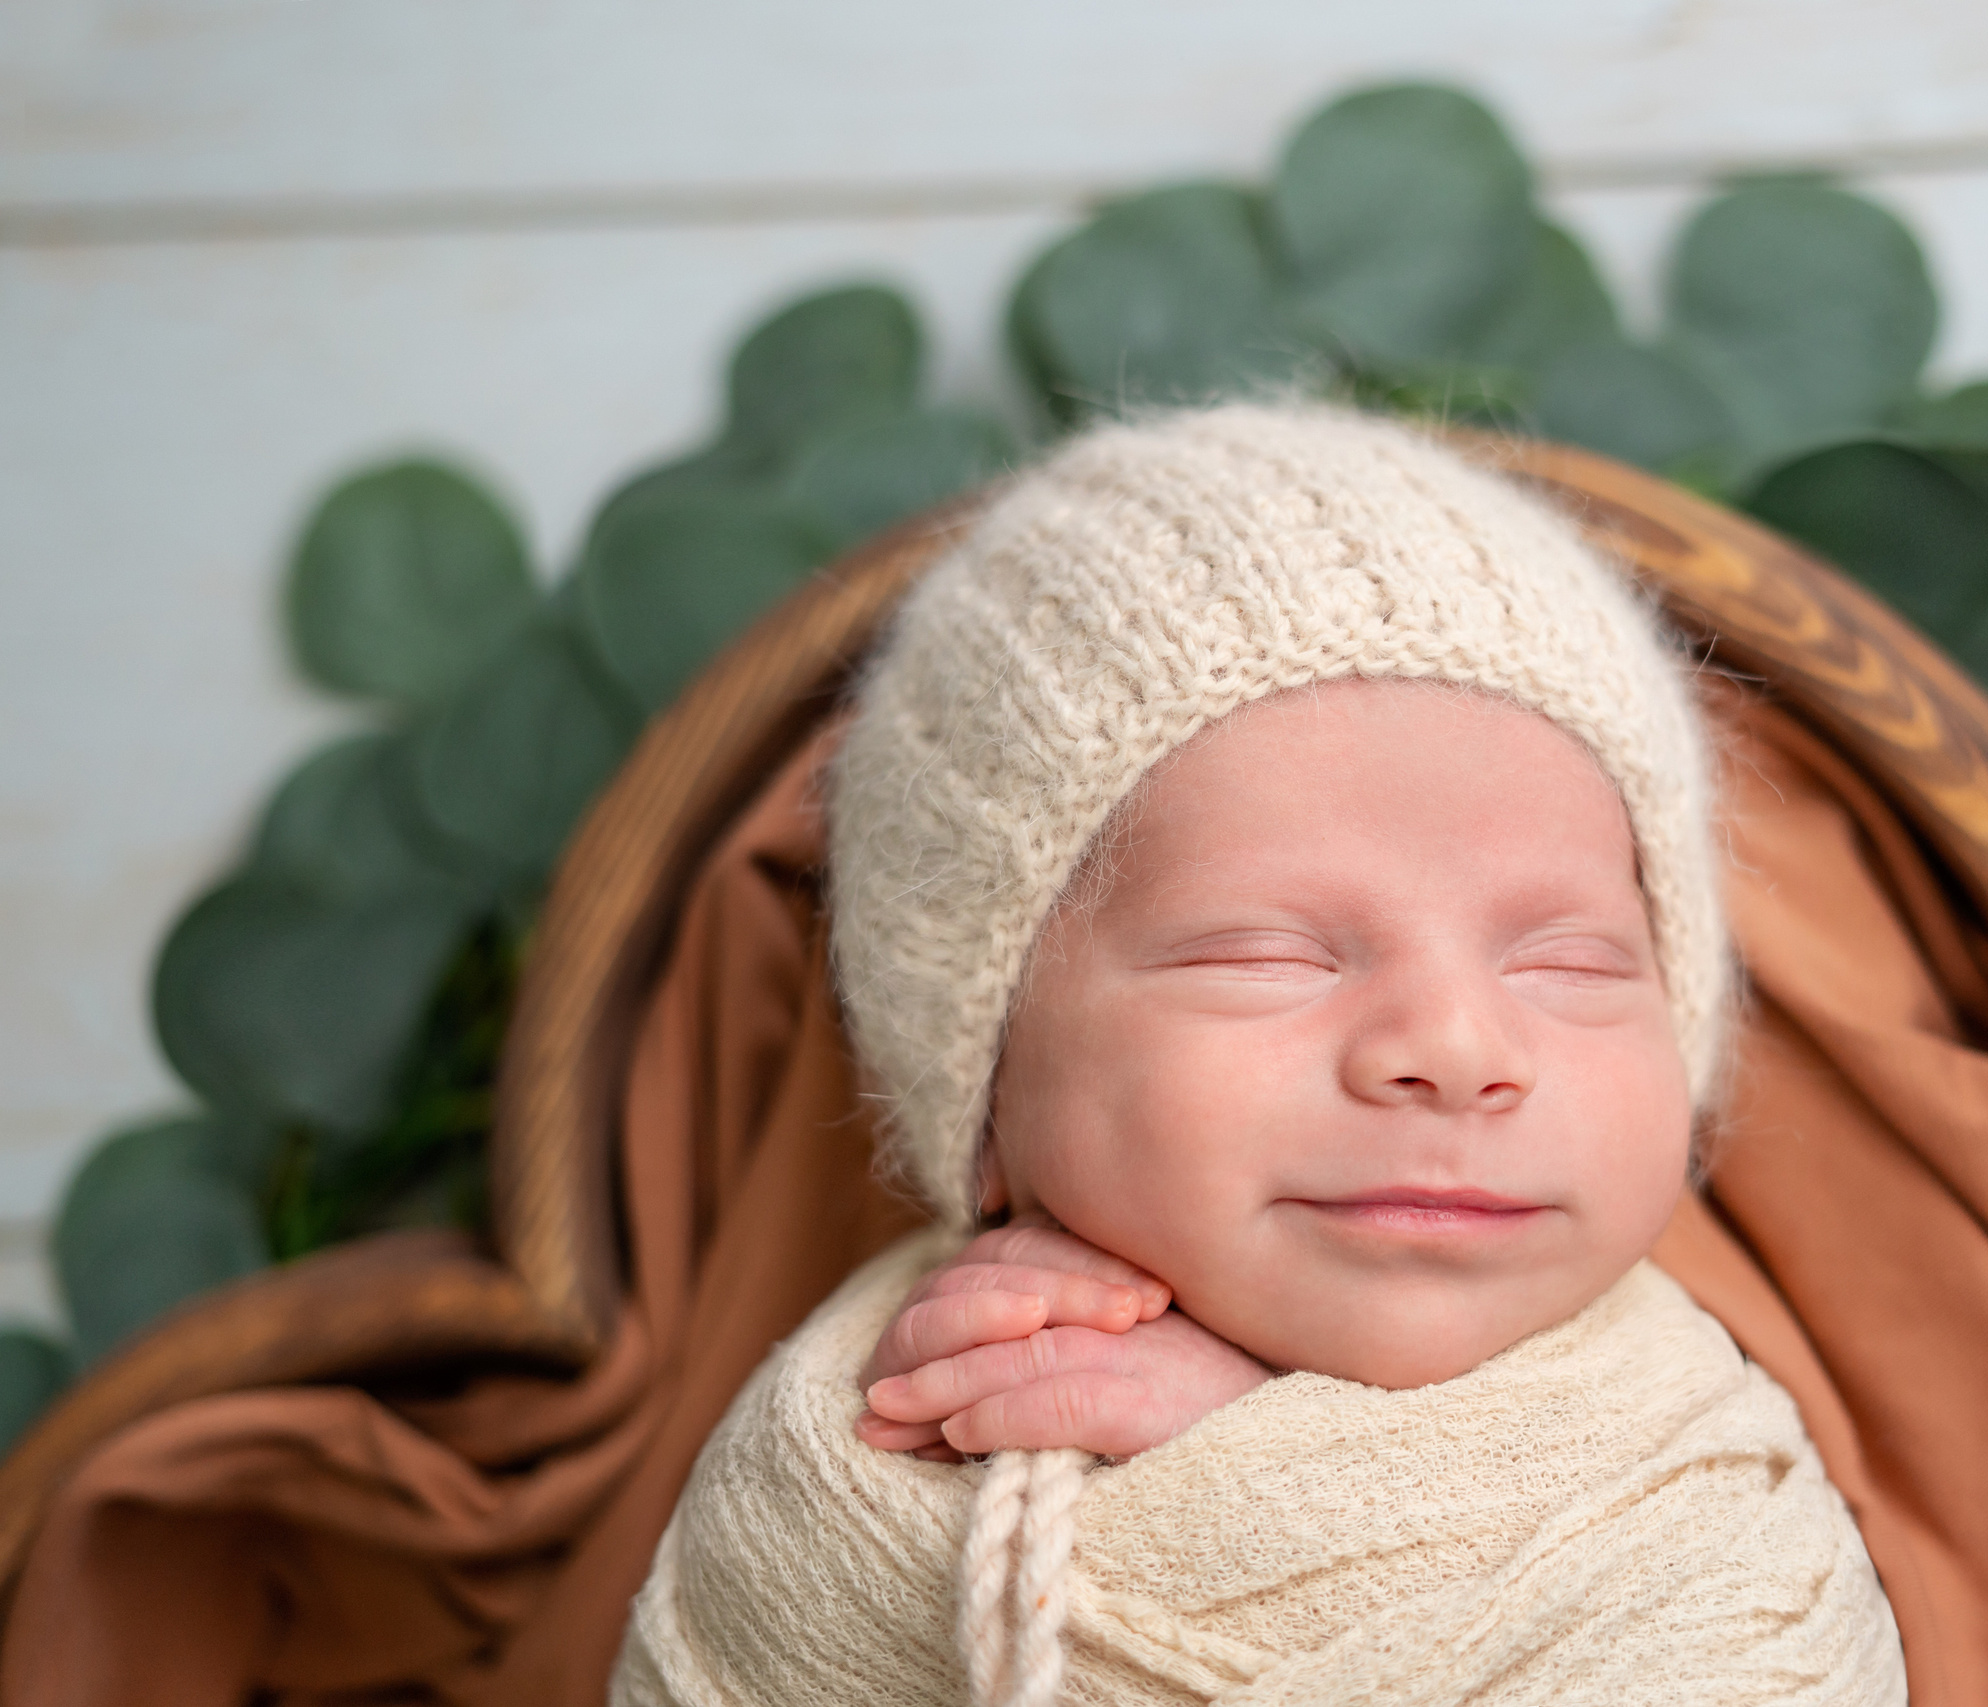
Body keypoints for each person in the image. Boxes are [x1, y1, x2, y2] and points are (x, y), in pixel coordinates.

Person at [612, 403, 1905, 1707]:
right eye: (1267, 956)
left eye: (1571, 962)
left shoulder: (1707, 1493)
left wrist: (1270, 1485)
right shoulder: (879, 1444)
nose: (1457, 1049)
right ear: (985, 1087)